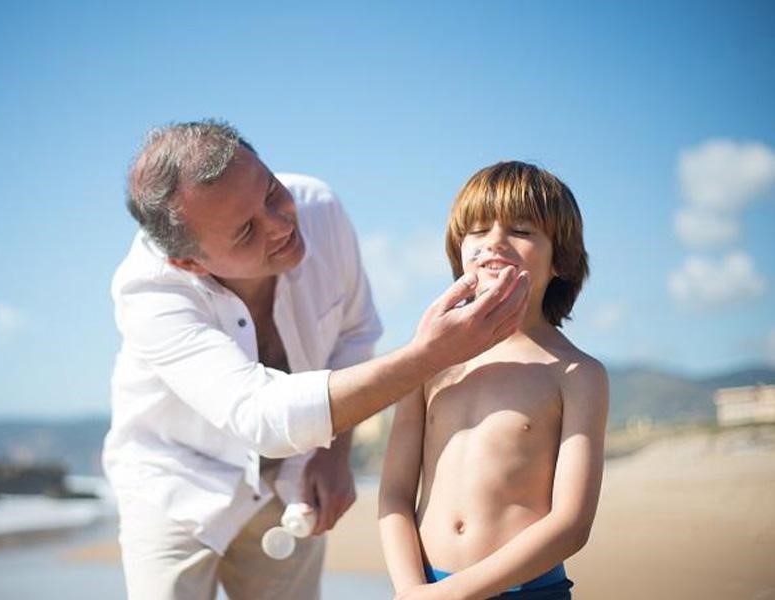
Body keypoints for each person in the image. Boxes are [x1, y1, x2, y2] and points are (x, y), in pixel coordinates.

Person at [103, 120, 531, 600]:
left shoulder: (319, 209)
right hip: (177, 485)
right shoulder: (148, 291)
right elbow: (259, 415)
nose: (283, 225)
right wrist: (430, 355)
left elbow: (354, 332)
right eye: (246, 232)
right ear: (190, 263)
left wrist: (333, 451)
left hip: (292, 485)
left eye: (271, 194)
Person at [378, 161, 609, 600]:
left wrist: (454, 595)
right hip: (425, 586)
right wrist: (411, 589)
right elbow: (394, 493)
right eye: (478, 230)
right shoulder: (429, 360)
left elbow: (572, 524)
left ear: (561, 257)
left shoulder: (577, 374)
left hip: (527, 591)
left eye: (521, 230)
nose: (494, 242)